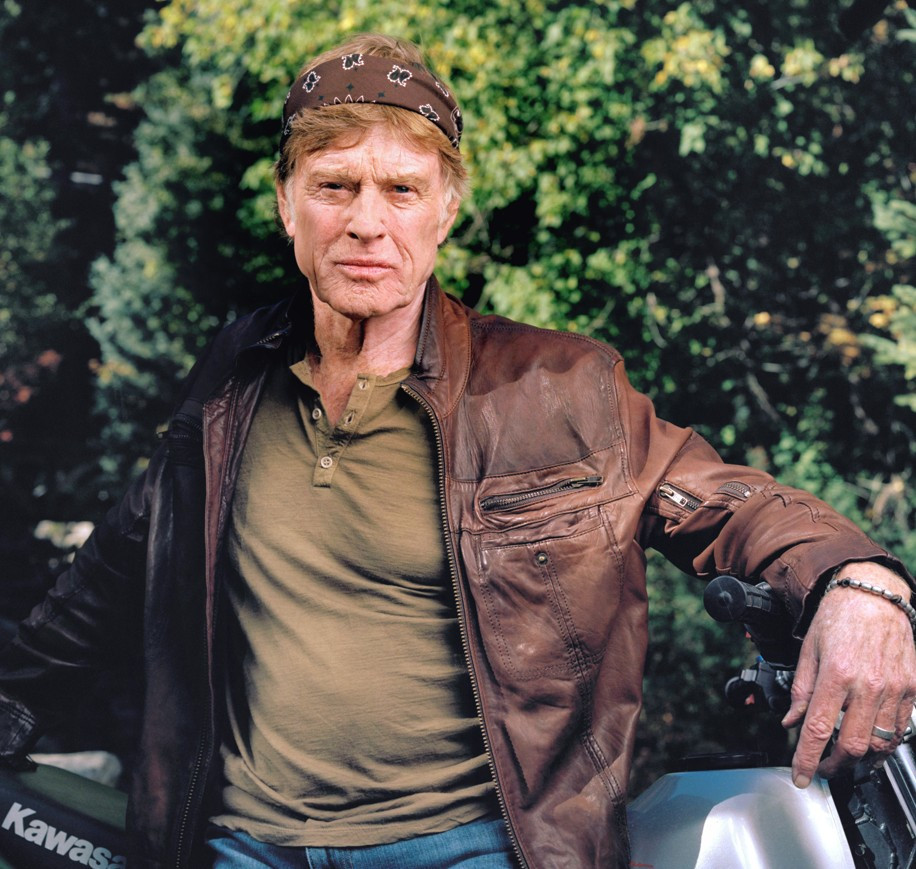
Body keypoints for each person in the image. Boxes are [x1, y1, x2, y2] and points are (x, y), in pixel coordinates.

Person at [0, 32, 913, 869]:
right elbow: (121, 560)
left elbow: (723, 501)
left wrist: (858, 582)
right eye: (334, 186)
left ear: (444, 209)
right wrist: (18, 693)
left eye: (401, 189)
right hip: (245, 842)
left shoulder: (556, 387)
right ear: (287, 203)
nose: (367, 222)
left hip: (471, 846)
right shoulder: (233, 376)